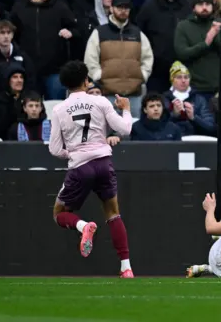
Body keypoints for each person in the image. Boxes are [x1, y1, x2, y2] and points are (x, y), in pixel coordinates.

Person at [48, 60, 134, 278]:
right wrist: (126, 110)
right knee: (113, 214)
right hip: (104, 162)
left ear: (65, 85)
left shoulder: (59, 110)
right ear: (86, 81)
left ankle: (83, 226)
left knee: (59, 214)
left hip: (80, 167)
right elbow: (124, 128)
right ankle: (126, 268)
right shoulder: (100, 101)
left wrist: (74, 153)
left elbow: (55, 149)